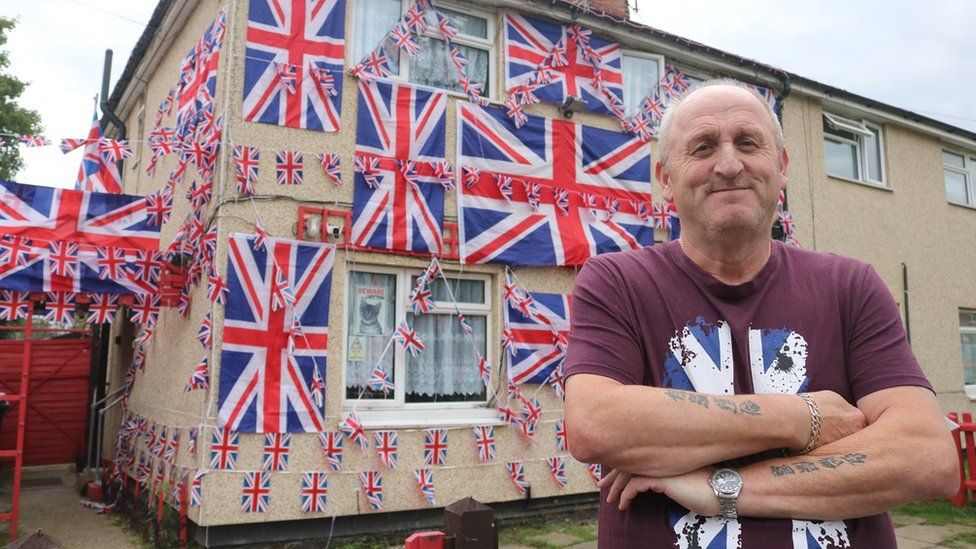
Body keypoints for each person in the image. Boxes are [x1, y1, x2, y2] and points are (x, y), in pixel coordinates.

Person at [563, 80, 959, 548]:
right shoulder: (617, 282)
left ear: (782, 166)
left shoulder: (851, 286)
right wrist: (807, 417)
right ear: (665, 179)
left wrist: (721, 488)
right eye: (703, 147)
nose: (729, 165)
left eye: (748, 143)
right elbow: (595, 425)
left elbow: (926, 457)